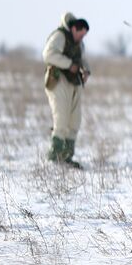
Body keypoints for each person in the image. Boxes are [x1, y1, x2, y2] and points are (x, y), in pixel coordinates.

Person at [42, 13, 91, 167]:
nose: (81, 38)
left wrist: (86, 70)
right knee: (61, 119)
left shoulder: (79, 43)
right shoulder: (59, 36)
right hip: (59, 81)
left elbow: (82, 58)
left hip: (74, 82)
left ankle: (66, 157)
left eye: (84, 36)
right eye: (80, 34)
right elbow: (48, 55)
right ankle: (54, 158)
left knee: (74, 121)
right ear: (74, 29)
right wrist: (69, 64)